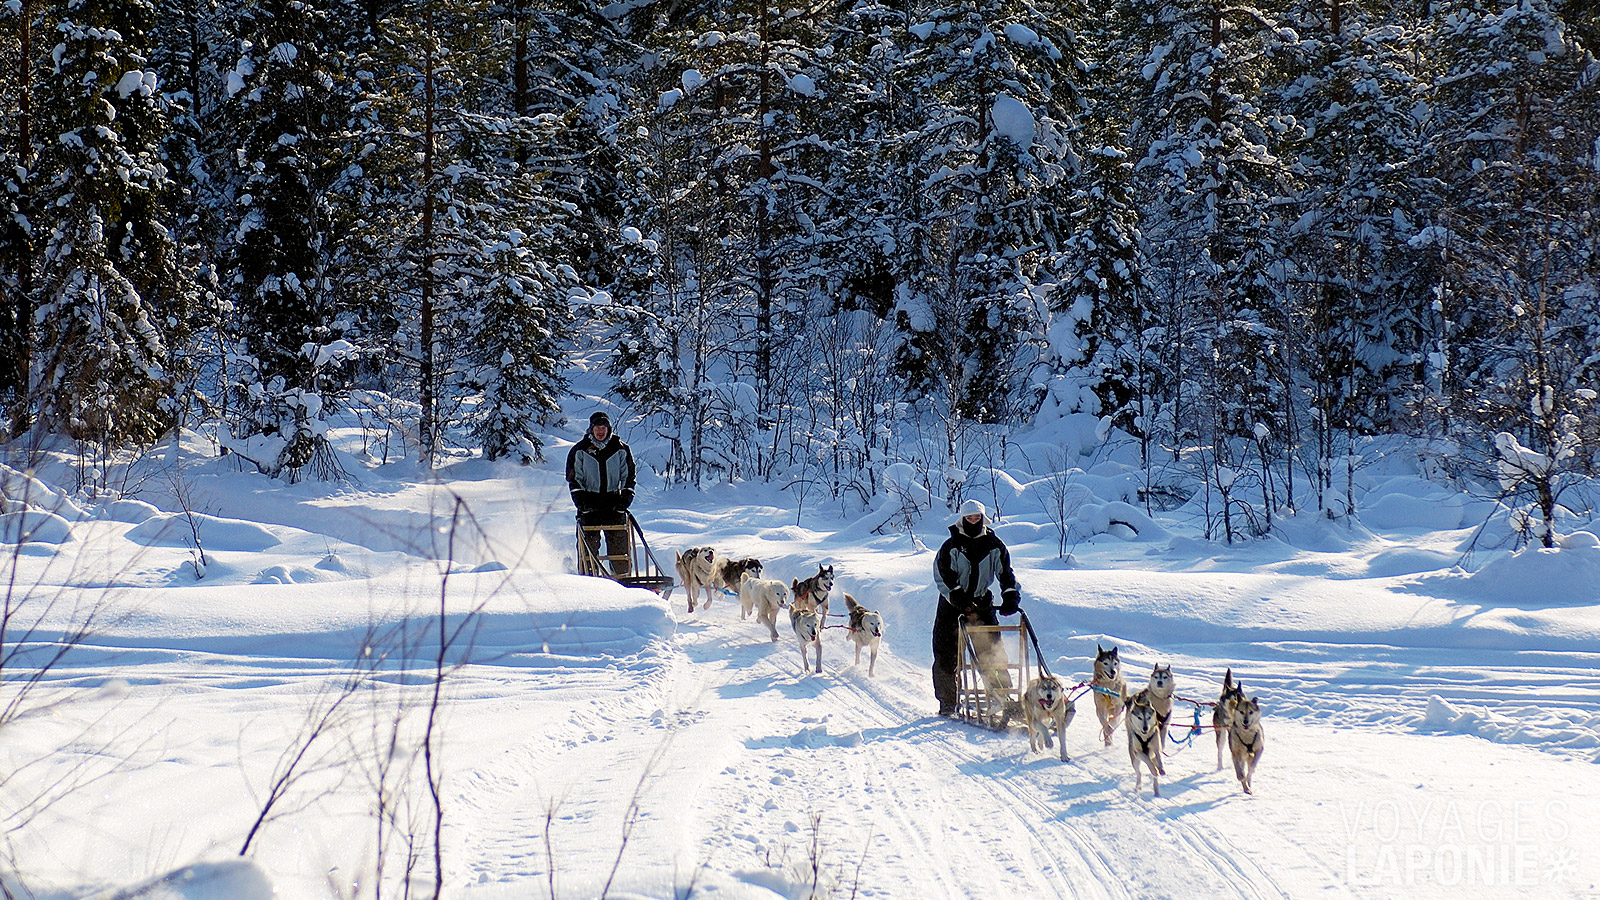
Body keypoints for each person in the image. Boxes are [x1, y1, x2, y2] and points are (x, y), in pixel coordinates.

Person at [931, 498, 1022, 717]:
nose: (973, 521)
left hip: (981, 604)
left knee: (993, 652)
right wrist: (958, 596)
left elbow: (1005, 572)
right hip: (952, 606)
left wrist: (1010, 595)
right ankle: (948, 702)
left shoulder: (993, 545)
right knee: (946, 655)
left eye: (977, 517)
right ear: (962, 519)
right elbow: (943, 575)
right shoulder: (951, 546)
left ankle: (1002, 696)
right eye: (969, 518)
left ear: (983, 518)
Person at [566, 411, 637, 575]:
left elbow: (629, 476)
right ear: (591, 429)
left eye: (603, 427)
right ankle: (589, 582)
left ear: (608, 429)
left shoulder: (620, 449)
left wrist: (626, 498)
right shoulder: (580, 450)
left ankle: (622, 581)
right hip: (589, 506)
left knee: (620, 553)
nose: (600, 431)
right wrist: (581, 502)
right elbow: (574, 479)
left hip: (614, 504)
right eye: (597, 427)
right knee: (588, 553)